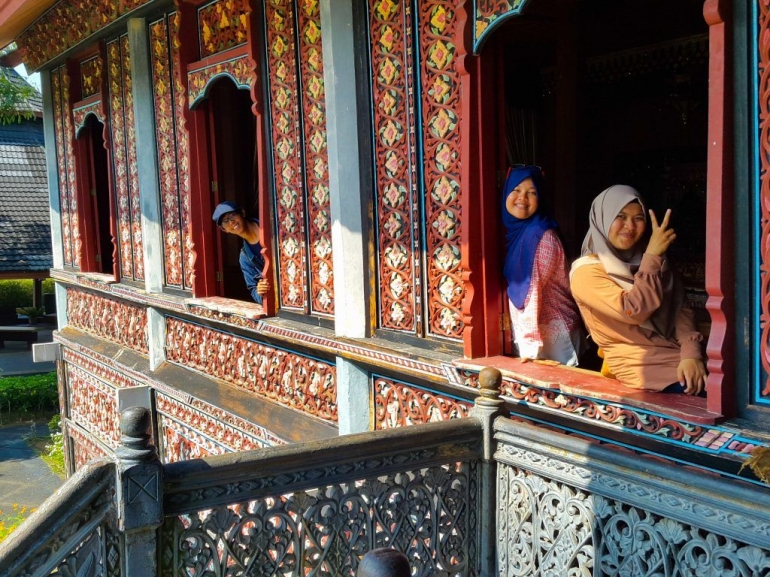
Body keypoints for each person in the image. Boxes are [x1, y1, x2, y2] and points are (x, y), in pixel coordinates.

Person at [570, 185, 706, 395]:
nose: (629, 226)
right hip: (639, 363)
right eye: (620, 216)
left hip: (677, 354)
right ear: (602, 219)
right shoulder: (586, 272)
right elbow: (633, 310)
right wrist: (652, 257)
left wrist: (691, 353)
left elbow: (681, 309)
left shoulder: (650, 259)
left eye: (638, 218)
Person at [501, 165, 585, 366]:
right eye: (516, 190)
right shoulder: (516, 232)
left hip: (554, 338)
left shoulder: (540, 235)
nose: (523, 198)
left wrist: (527, 344)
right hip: (539, 339)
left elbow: (529, 289)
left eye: (532, 192)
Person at [212, 201, 269, 305]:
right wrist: (261, 292)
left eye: (232, 215)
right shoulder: (245, 257)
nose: (231, 222)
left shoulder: (269, 227)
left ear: (242, 213)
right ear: (224, 230)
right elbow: (253, 289)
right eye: (225, 221)